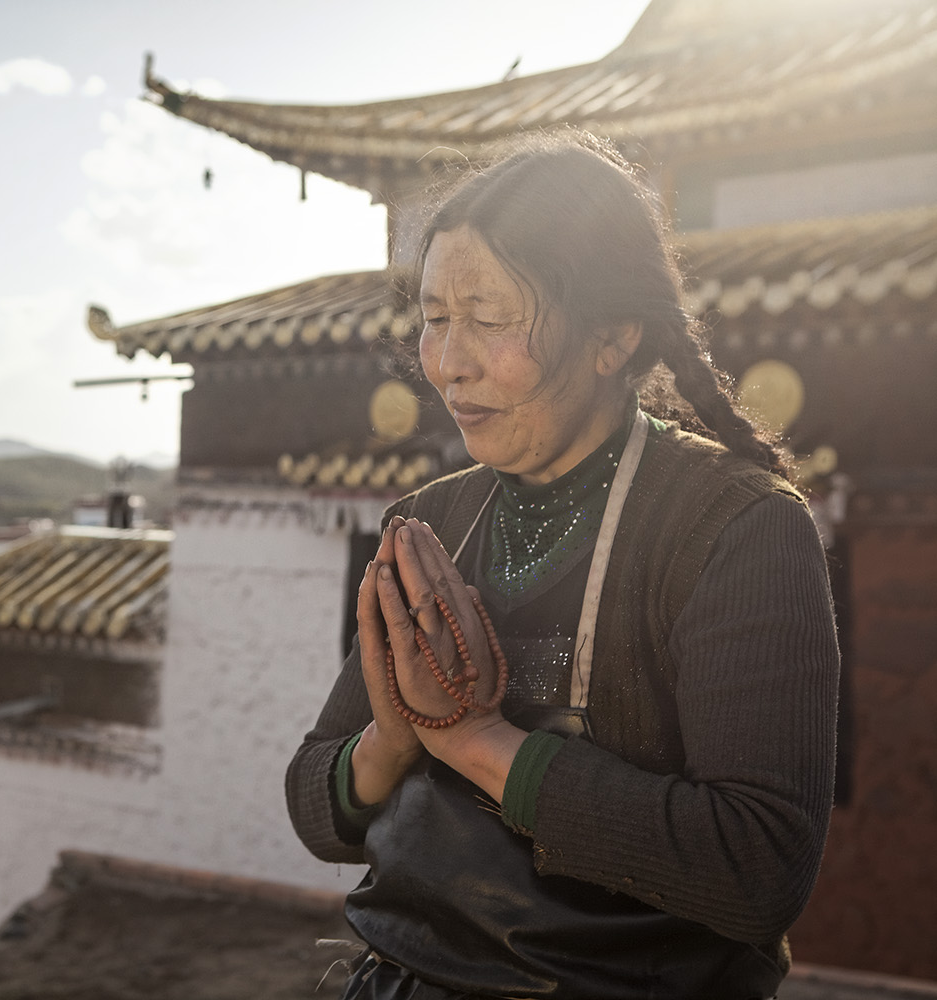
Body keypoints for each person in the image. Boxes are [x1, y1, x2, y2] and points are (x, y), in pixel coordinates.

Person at [286, 134, 839, 1000]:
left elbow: (756, 868)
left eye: (491, 317)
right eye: (435, 317)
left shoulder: (737, 528)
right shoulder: (432, 523)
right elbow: (317, 809)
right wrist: (393, 731)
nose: (449, 361)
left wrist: (475, 741)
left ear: (612, 334)